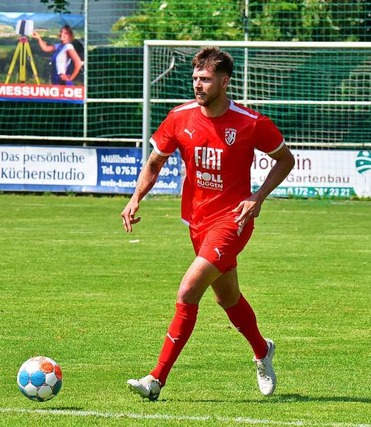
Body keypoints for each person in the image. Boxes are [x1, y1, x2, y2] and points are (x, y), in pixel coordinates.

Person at [121, 46, 295, 401]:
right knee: (228, 298)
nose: (198, 85)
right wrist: (136, 197)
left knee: (187, 292)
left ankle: (156, 379)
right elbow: (155, 162)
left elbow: (285, 160)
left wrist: (257, 197)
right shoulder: (179, 117)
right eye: (195, 78)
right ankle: (262, 351)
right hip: (197, 223)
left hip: (233, 221)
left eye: (205, 79)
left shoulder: (250, 123)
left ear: (224, 82)